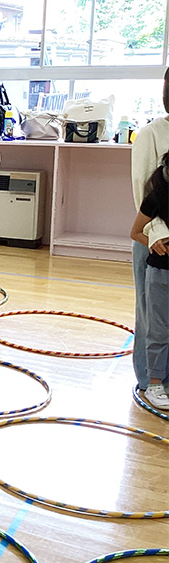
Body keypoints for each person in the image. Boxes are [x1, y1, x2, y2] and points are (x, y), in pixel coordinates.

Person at [130, 68, 169, 393]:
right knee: (152, 316)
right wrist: (155, 233)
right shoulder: (151, 134)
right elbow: (143, 191)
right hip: (156, 240)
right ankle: (151, 381)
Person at [129, 153, 169, 410]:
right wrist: (154, 244)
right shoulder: (157, 198)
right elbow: (135, 233)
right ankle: (154, 382)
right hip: (160, 273)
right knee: (158, 328)